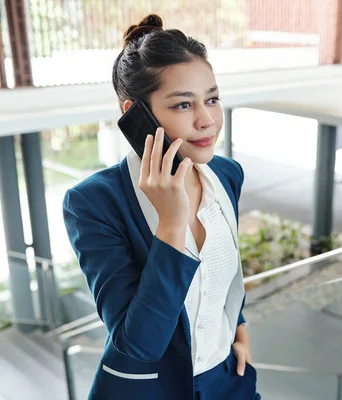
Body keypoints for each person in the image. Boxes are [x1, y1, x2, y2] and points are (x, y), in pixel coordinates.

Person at [62, 14, 260, 400]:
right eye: (184, 105)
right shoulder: (94, 203)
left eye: (212, 99)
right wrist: (171, 223)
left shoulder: (226, 175)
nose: (207, 121)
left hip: (228, 379)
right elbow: (139, 344)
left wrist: (237, 326)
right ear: (136, 114)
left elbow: (224, 270)